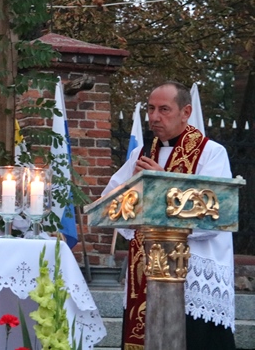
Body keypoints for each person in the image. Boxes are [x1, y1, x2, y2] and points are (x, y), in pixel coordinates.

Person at [103, 81, 235, 350]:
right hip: (146, 273)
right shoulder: (141, 154)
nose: (154, 117)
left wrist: (160, 184)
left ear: (186, 112)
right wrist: (133, 188)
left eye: (164, 109)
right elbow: (109, 204)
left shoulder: (211, 153)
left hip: (193, 277)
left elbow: (214, 216)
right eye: (150, 109)